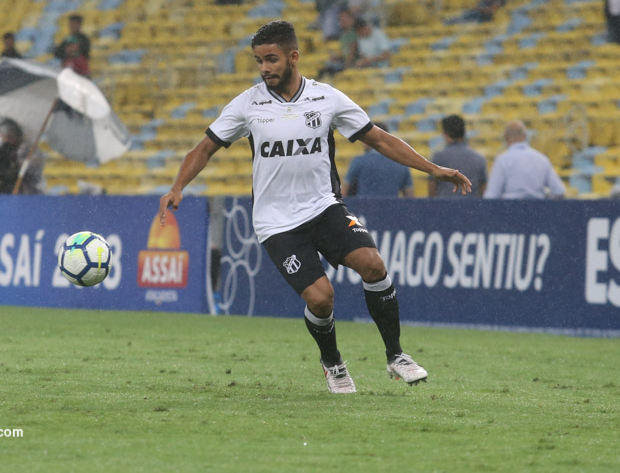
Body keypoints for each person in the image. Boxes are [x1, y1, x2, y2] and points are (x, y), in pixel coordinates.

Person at [158, 21, 471, 394]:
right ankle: (333, 363)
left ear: (294, 57)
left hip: (324, 207)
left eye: (271, 59)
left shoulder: (328, 99)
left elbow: (380, 140)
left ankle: (396, 356)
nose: (264, 68)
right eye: (258, 61)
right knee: (322, 299)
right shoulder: (247, 104)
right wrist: (178, 185)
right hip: (276, 223)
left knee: (373, 263)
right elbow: (204, 147)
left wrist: (432, 169)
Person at [484, 120, 565, 199]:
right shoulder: (542, 159)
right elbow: (559, 191)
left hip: (510, 209)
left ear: (506, 138)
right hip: (538, 209)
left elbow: (491, 195)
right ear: (525, 136)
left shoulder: (502, 161)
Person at [343, 123, 414, 197]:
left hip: (364, 207)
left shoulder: (358, 161)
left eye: (364, 137)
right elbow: (410, 197)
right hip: (391, 207)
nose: (362, 141)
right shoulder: (401, 163)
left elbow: (344, 192)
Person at [429, 114, 487, 197]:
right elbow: (482, 190)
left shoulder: (438, 157)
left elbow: (432, 190)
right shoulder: (479, 159)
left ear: (445, 133)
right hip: (471, 207)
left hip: (444, 207)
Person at [317, 9, 358, 78]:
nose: (342, 21)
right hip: (344, 62)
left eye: (345, 19)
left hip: (352, 64)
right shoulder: (343, 34)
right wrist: (338, 58)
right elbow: (346, 53)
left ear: (351, 19)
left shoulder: (353, 33)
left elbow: (352, 52)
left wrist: (346, 67)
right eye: (341, 20)